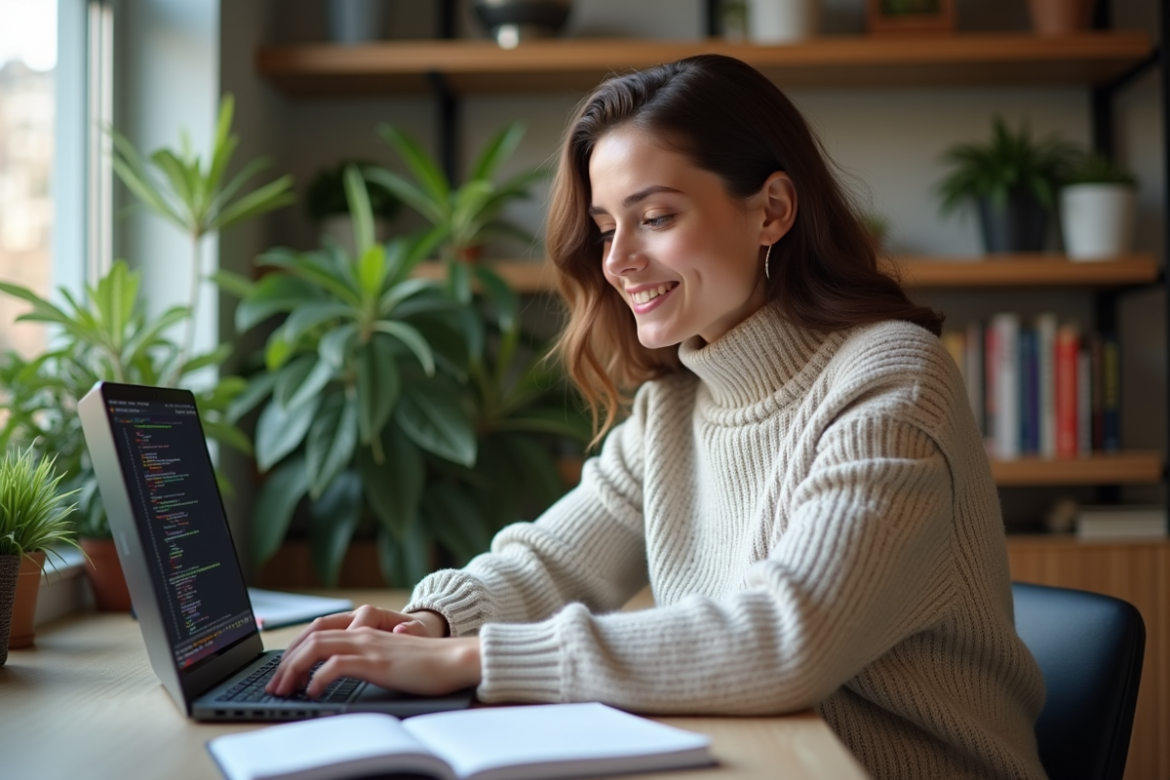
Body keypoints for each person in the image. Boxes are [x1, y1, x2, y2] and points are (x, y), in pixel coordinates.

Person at [267, 54, 1047, 780]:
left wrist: (473, 659)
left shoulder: (892, 378)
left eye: (657, 217)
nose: (616, 262)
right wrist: (431, 623)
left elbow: (787, 639)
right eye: (608, 227)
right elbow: (554, 564)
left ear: (772, 210)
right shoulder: (674, 404)